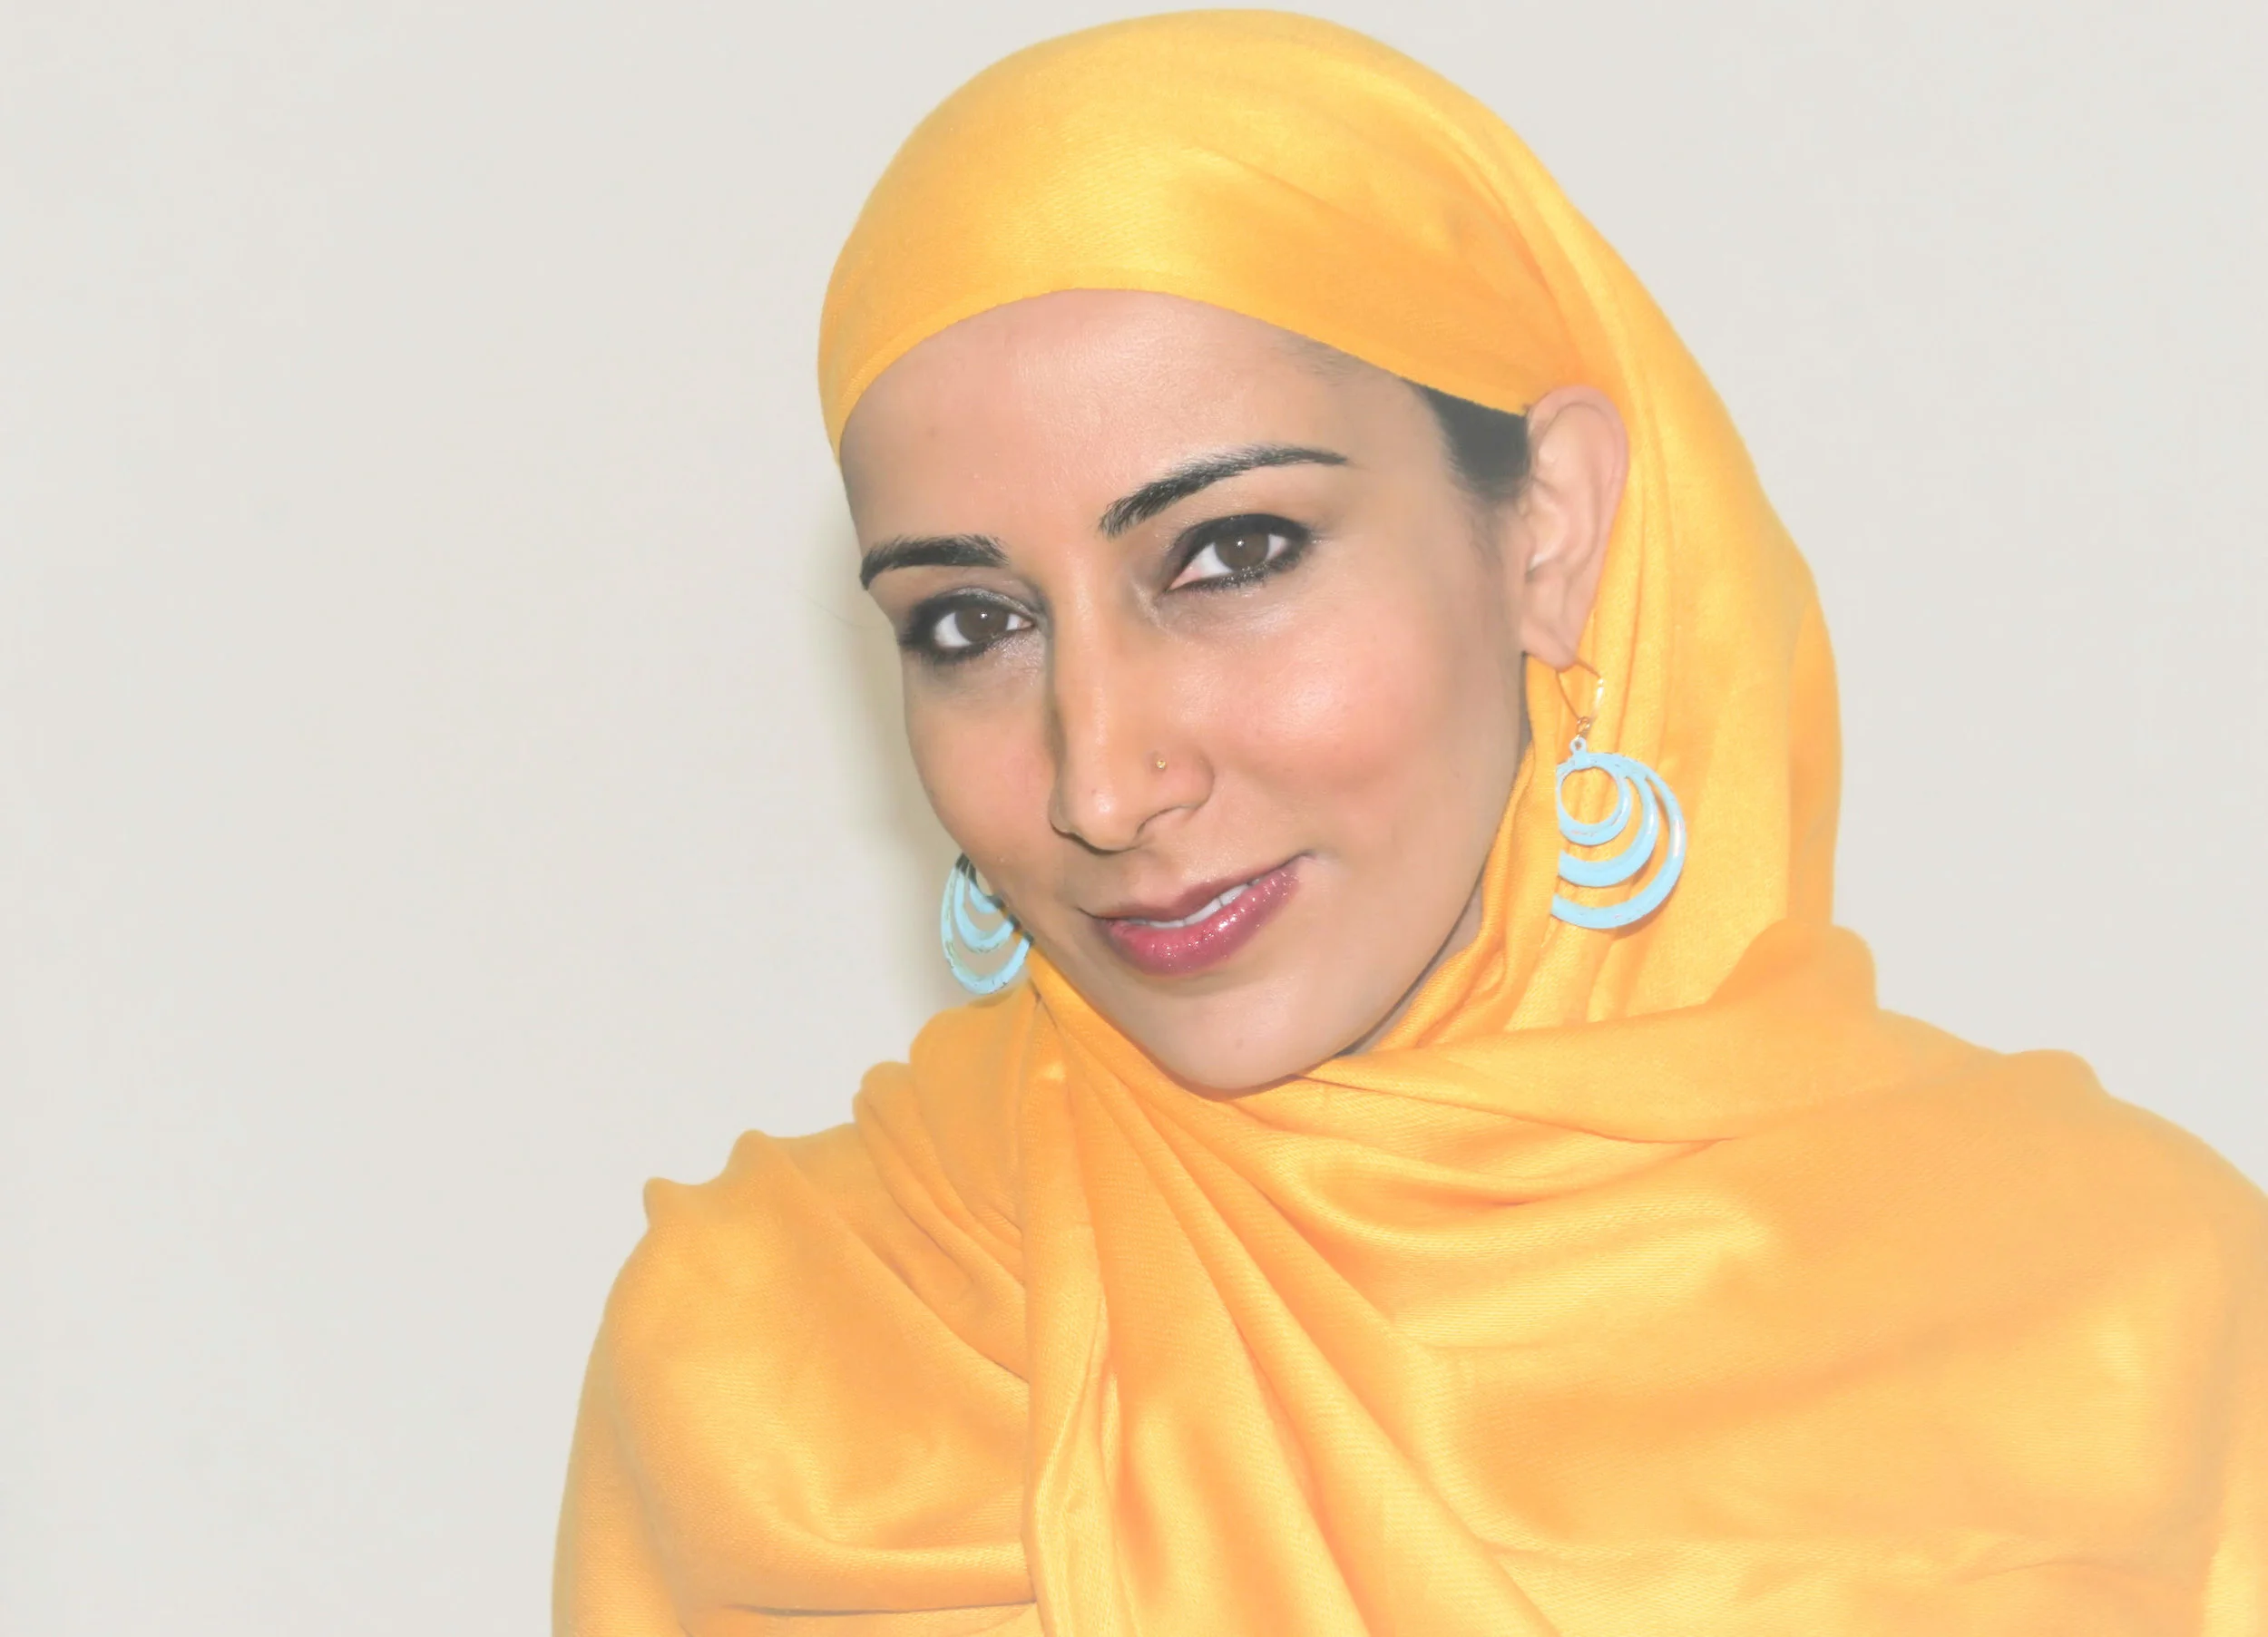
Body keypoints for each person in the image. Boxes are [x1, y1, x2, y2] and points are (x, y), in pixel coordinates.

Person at [553, 13, 2267, 1633]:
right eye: (972, 625)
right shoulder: (780, 1359)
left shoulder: (2125, 1320)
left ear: (1550, 531)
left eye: (1231, 556)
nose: (1101, 783)